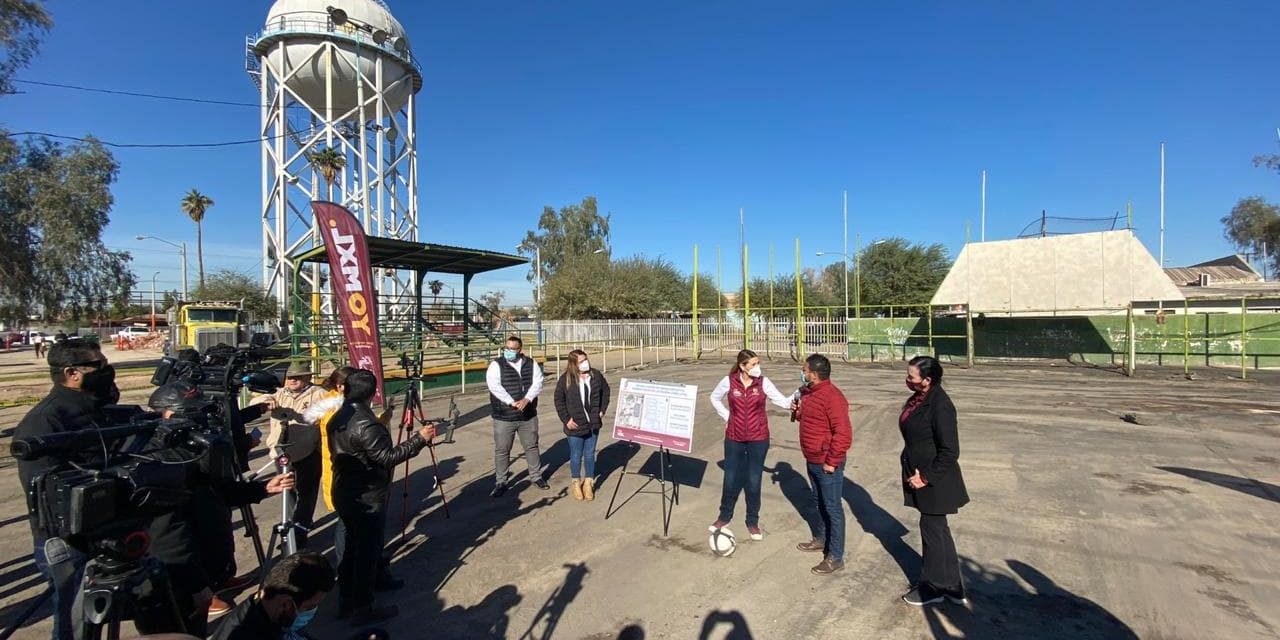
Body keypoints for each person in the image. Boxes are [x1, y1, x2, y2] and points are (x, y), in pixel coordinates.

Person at [144, 382, 295, 636]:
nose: (200, 421)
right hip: (175, 584)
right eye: (191, 414)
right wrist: (196, 586)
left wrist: (262, 489)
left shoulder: (190, 451)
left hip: (203, 568)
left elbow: (216, 491)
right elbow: (168, 539)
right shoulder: (157, 463)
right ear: (166, 415)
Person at [13, 341, 119, 639]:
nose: (107, 371)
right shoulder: (44, 421)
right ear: (71, 373)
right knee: (75, 623)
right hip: (68, 541)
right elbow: (48, 492)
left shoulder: (96, 406)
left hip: (106, 530)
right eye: (99, 366)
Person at [328, 370, 436, 624]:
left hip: (346, 489)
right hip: (365, 494)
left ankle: (351, 598)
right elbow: (387, 458)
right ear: (372, 393)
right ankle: (362, 606)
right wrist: (419, 440)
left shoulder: (340, 417)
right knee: (364, 551)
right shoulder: (365, 423)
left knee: (357, 548)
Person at [302, 367, 405, 591]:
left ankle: (361, 583)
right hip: (360, 486)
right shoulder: (341, 412)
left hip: (345, 479)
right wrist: (418, 440)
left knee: (355, 537)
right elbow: (383, 455)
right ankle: (360, 595)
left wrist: (380, 420)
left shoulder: (342, 410)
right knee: (355, 539)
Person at [898, 355, 970, 606]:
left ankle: (933, 587)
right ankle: (952, 585)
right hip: (921, 474)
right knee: (938, 531)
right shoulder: (921, 399)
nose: (907, 379)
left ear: (927, 380)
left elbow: (950, 450)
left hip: (934, 480)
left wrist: (925, 477)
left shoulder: (940, 405)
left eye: (912, 377)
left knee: (933, 532)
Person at [708, 349, 793, 540]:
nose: (757, 367)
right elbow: (714, 397)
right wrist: (727, 416)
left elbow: (783, 401)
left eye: (758, 363)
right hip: (734, 438)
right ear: (742, 366)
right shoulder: (729, 381)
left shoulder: (763, 382)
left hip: (758, 438)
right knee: (730, 479)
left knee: (753, 481)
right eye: (753, 364)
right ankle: (724, 516)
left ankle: (752, 521)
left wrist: (798, 396)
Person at [244, 361, 328, 548]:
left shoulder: (319, 394)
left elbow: (333, 410)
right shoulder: (278, 392)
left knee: (307, 492)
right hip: (281, 452)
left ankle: (300, 532)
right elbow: (252, 403)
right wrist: (265, 402)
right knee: (287, 491)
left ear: (307, 377)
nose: (292, 380)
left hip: (308, 451)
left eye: (297, 377)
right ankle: (290, 528)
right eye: (290, 377)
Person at [791, 353, 853, 575]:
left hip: (827, 462)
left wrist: (832, 461)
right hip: (812, 458)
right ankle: (821, 538)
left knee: (832, 507)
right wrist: (797, 413)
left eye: (805, 369)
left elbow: (843, 434)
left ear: (814, 374)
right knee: (819, 502)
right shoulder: (809, 393)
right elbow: (812, 420)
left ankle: (835, 556)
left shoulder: (832, 397)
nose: (803, 372)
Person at [209, 551, 335, 640]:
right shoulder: (247, 632)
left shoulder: (262, 607)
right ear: (287, 604)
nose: (311, 612)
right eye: (310, 606)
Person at [485, 336, 547, 497]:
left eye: (512, 349)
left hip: (528, 415)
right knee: (502, 450)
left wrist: (527, 399)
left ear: (520, 350)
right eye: (507, 348)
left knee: (531, 446)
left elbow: (538, 382)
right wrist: (511, 402)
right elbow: (494, 386)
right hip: (504, 416)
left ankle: (536, 476)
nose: (509, 351)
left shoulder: (531, 364)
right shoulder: (496, 365)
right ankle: (501, 481)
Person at [552, 349, 611, 501]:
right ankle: (576, 482)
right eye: (581, 361)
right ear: (573, 364)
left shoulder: (595, 375)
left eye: (586, 359)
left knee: (590, 454)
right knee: (576, 455)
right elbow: (559, 400)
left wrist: (602, 411)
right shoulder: (566, 379)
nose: (585, 363)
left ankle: (589, 483)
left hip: (593, 423)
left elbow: (606, 391)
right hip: (575, 425)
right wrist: (566, 419)